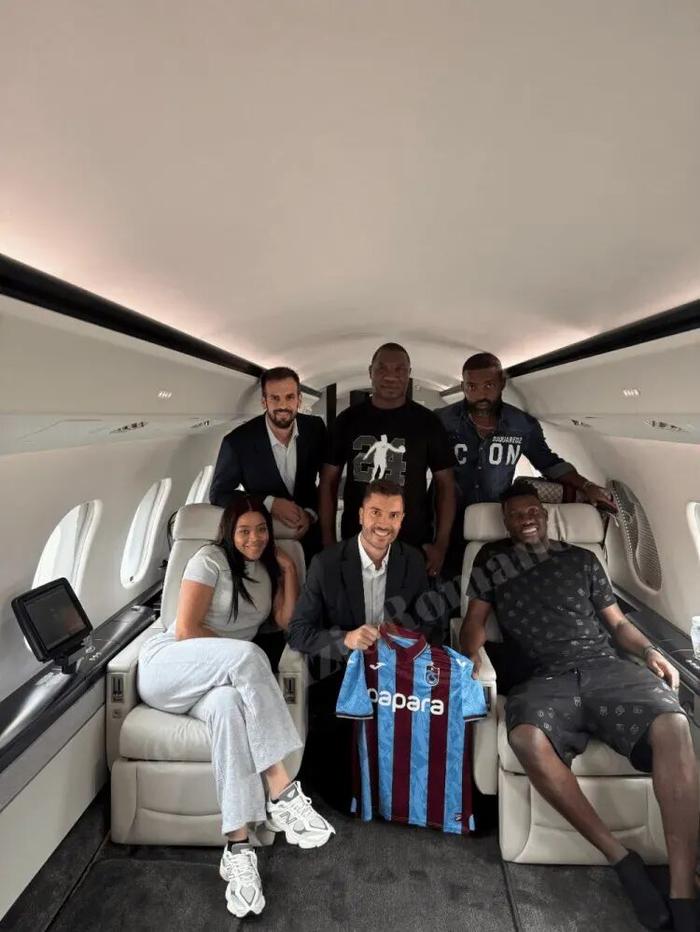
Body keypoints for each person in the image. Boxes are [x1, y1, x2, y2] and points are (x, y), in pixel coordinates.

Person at [460, 481, 697, 932]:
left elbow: (618, 624)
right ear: (505, 522)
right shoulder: (492, 560)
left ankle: (683, 888)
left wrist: (650, 652)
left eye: (533, 511)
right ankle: (621, 858)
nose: (527, 519)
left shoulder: (583, 561)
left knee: (674, 723)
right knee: (525, 738)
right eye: (516, 514)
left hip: (604, 668)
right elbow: (473, 621)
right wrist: (468, 655)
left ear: (545, 514)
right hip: (542, 679)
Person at [137, 493, 334, 919]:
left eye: (261, 529)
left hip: (217, 685)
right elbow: (186, 630)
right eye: (244, 531)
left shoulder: (268, 568)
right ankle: (282, 790)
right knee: (248, 656)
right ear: (229, 531)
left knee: (230, 709)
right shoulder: (208, 560)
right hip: (170, 668)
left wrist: (287, 568)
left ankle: (238, 849)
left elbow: (286, 623)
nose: (254, 538)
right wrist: (234, 655)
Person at [288, 479, 432, 810]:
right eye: (376, 513)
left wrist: (402, 639)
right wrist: (346, 640)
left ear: (402, 519)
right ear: (360, 515)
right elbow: (298, 632)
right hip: (341, 671)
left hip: (398, 671)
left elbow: (431, 624)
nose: (384, 524)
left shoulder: (413, 561)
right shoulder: (326, 563)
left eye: (393, 515)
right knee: (342, 784)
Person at [437, 352, 616, 576]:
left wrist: (587, 486)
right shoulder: (441, 421)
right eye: (472, 386)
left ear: (502, 383)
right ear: (463, 386)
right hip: (443, 518)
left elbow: (549, 463)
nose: (481, 394)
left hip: (495, 519)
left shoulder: (522, 425)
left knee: (486, 578)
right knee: (444, 577)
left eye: (489, 385)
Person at [319, 343, 456, 577]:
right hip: (357, 541)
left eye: (399, 369)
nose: (391, 376)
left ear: (409, 373)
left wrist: (441, 545)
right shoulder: (347, 420)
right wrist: (329, 543)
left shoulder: (428, 422)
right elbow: (327, 483)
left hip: (413, 542)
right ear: (370, 372)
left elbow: (446, 485)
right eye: (382, 368)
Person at [210, 366, 327, 560]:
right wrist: (268, 503)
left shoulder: (315, 429)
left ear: (299, 400)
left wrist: (310, 514)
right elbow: (219, 494)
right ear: (264, 401)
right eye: (275, 398)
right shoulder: (238, 442)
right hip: (263, 542)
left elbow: (326, 481)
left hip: (310, 537)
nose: (283, 405)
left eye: (289, 397)